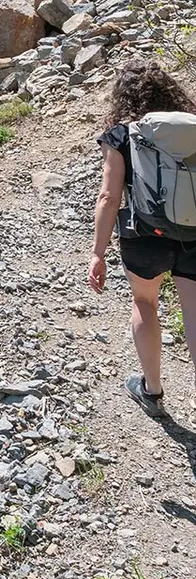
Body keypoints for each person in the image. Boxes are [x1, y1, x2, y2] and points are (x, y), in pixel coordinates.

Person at [90, 59, 196, 417]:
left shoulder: (121, 134)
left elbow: (109, 196)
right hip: (195, 233)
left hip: (143, 234)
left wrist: (97, 253)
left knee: (145, 303)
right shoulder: (192, 130)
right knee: (194, 314)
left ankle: (152, 391)